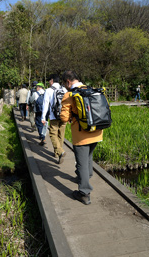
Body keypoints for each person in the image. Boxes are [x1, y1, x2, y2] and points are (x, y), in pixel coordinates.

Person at [60, 70, 103, 205]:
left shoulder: (69, 95)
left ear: (68, 82)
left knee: (81, 163)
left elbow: (64, 117)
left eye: (64, 84)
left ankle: (84, 193)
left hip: (81, 135)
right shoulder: (91, 90)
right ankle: (87, 177)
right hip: (97, 131)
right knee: (88, 157)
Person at [41, 74, 67, 164]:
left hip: (53, 116)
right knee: (61, 134)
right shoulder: (64, 89)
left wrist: (43, 117)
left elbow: (45, 104)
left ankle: (60, 152)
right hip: (64, 116)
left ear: (52, 80)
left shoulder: (48, 90)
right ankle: (57, 153)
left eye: (49, 80)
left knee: (53, 134)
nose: (49, 82)